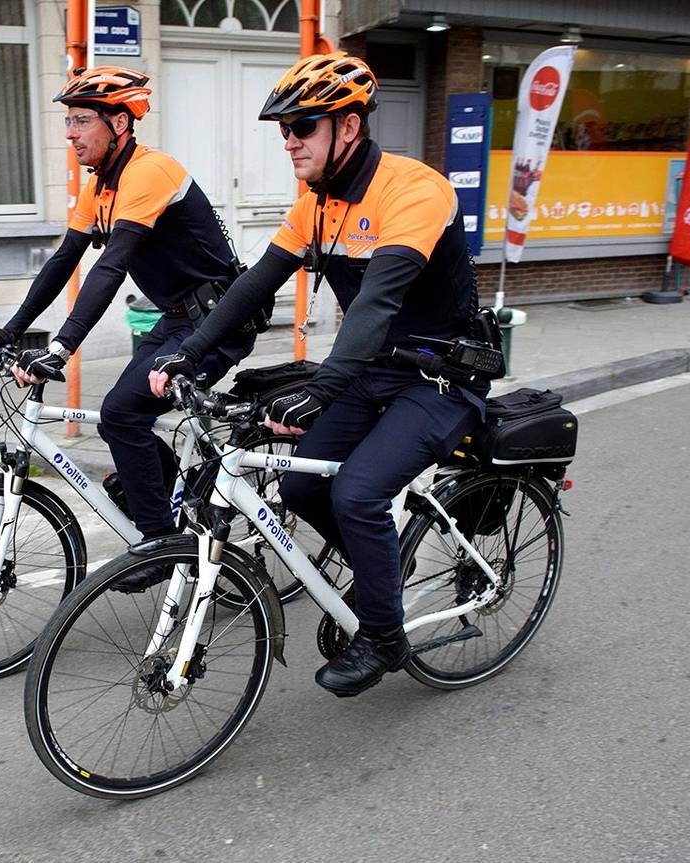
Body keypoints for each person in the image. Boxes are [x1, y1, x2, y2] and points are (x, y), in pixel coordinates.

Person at [148, 53, 488, 697]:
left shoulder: (414, 188)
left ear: (349, 128)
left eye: (302, 125)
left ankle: (386, 637)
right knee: (301, 490)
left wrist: (323, 387)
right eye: (284, 129)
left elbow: (378, 303)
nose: (289, 140)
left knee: (358, 493)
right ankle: (378, 568)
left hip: (439, 375)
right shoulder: (317, 204)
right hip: (373, 371)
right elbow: (252, 286)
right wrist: (187, 352)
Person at [0, 66, 254, 588]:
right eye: (69, 121)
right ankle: (177, 501)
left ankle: (160, 546)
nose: (70, 132)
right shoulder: (100, 184)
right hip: (177, 318)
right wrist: (15, 330)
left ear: (120, 122)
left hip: (217, 322)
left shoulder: (150, 172)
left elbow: (112, 265)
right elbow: (66, 259)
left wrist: (60, 347)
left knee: (122, 414)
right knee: (125, 417)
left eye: (82, 120)